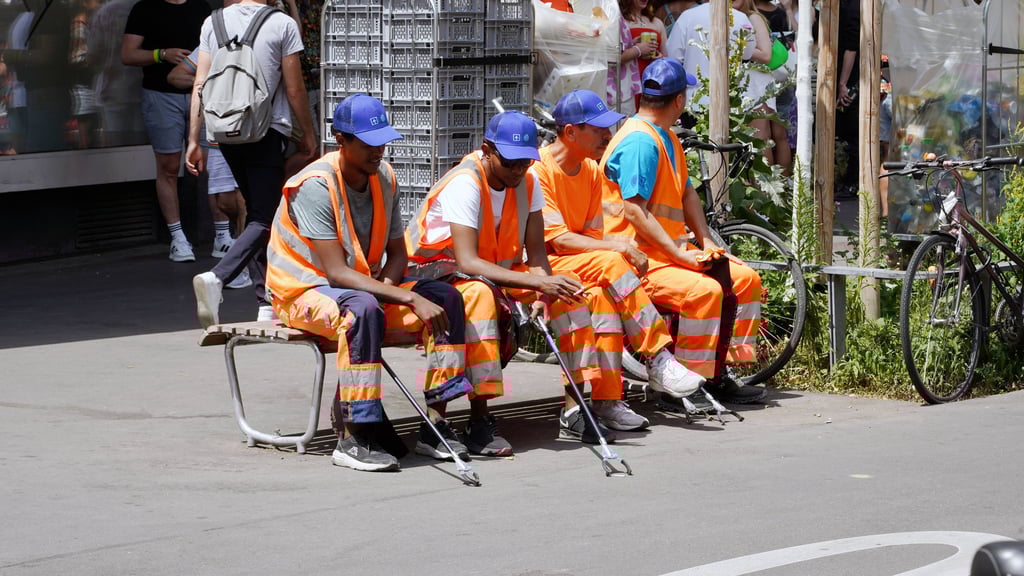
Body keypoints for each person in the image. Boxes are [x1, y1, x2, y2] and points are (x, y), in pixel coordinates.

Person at [260, 95, 473, 472]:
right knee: (361, 310)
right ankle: (353, 434)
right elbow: (336, 273)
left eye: (382, 141)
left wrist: (397, 294)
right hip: (302, 292)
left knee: (446, 297)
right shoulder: (314, 185)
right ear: (340, 140)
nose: (378, 151)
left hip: (364, 287)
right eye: (368, 143)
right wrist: (404, 298)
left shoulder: (385, 176)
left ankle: (436, 423)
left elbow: (398, 254)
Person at [406, 111, 613, 451]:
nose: (518, 170)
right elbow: (467, 261)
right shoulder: (465, 182)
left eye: (525, 162)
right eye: (511, 162)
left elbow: (537, 255)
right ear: (487, 150)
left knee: (572, 291)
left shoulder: (527, 181)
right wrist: (535, 285)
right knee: (481, 299)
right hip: (439, 277)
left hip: (495, 273)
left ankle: (574, 408)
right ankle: (477, 419)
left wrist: (545, 289)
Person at [533, 89, 705, 430]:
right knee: (613, 262)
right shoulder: (539, 171)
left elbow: (592, 240)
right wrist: (620, 247)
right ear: (570, 132)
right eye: (598, 129)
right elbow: (558, 240)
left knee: (602, 300)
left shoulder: (592, 172)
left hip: (577, 265)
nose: (607, 136)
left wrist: (612, 247)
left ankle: (607, 400)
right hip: (541, 267)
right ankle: (656, 356)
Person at [600, 58, 767, 404]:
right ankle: (688, 383)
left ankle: (720, 371)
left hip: (669, 252)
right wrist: (680, 254)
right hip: (639, 259)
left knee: (746, 279)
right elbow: (634, 210)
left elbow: (687, 192)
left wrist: (705, 240)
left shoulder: (667, 138)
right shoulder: (640, 142)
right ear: (679, 100)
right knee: (704, 291)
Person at [187, 0, 316, 326]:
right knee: (263, 216)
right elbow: (295, 88)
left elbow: (199, 85)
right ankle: (218, 277)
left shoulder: (212, 22)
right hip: (266, 131)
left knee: (260, 212)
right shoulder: (282, 23)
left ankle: (265, 302)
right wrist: (308, 132)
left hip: (225, 133)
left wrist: (193, 139)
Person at [121, 0, 211, 262]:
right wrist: (161, 54)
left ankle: (223, 236)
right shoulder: (144, 9)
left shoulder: (202, 7)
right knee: (169, 167)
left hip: (201, 94)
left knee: (212, 164)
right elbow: (127, 54)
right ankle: (178, 238)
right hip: (161, 95)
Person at [167, 43, 250, 281]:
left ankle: (240, 268)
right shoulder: (214, 39)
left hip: (254, 134)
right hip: (219, 135)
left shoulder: (267, 30)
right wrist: (213, 87)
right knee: (226, 203)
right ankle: (238, 254)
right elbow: (176, 76)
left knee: (245, 202)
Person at [664, 0, 754, 112]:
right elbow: (748, 54)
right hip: (731, 99)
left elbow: (673, 57)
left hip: (695, 99)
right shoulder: (741, 17)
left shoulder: (688, 16)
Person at [621, 0, 667, 111]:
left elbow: (666, 56)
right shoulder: (621, 22)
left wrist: (660, 57)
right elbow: (615, 54)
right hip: (629, 79)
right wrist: (636, 48)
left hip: (652, 78)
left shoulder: (657, 23)